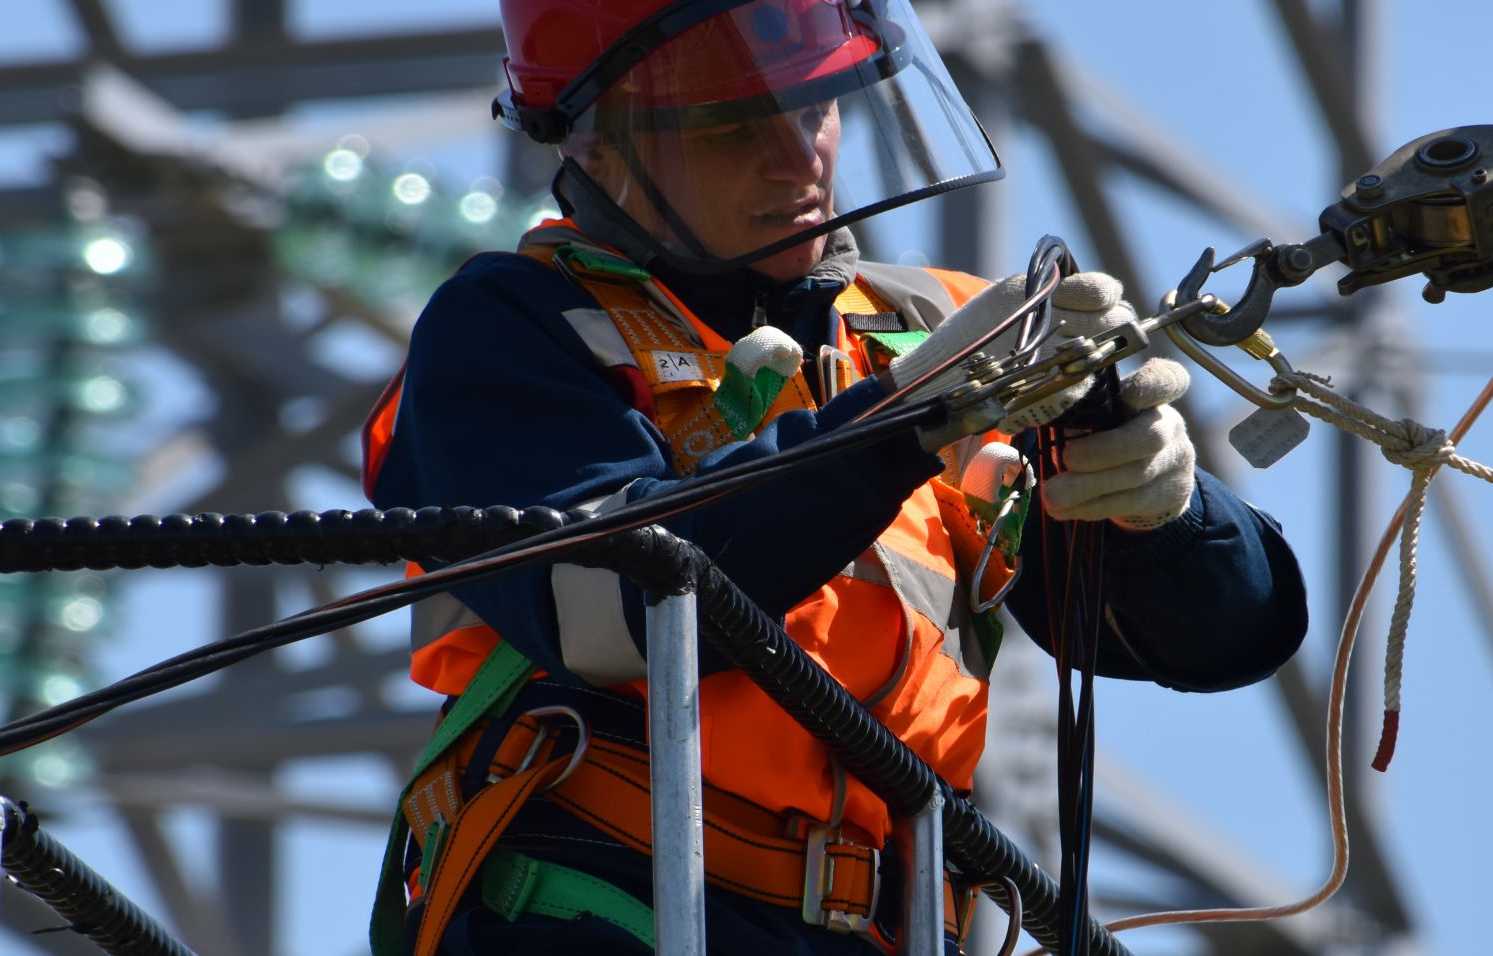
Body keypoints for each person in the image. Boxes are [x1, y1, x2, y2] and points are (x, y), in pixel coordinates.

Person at [361, 0, 1309, 952]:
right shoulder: (513, 327)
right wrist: (902, 419)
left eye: (817, 108)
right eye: (736, 127)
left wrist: (1170, 510)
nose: (800, 160)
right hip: (611, 910)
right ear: (596, 147)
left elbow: (1214, 641)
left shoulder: (932, 326)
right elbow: (605, 606)